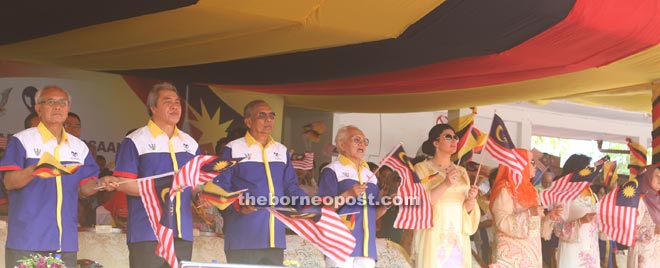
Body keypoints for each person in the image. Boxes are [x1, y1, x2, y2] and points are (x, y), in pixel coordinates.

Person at [0, 86, 115, 267]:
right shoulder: (22, 140)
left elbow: (84, 190)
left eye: (63, 103)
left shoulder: (79, 147)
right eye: (51, 102)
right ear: (38, 108)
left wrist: (101, 183)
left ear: (68, 108)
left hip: (64, 241)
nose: (58, 107)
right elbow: (9, 182)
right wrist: (35, 169)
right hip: (27, 238)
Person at [112, 82, 200, 267]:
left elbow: (194, 183)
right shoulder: (135, 140)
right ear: (153, 107)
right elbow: (123, 183)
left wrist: (200, 194)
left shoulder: (190, 143)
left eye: (178, 102)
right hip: (148, 232)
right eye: (168, 101)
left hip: (181, 233)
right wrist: (163, 186)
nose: (175, 106)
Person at [213, 100, 308, 265]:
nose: (268, 120)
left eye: (272, 115)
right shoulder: (233, 149)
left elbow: (291, 188)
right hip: (244, 238)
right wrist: (237, 205)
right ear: (248, 121)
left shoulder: (281, 150)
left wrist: (309, 207)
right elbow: (219, 188)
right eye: (262, 115)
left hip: (275, 238)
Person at [318, 125, 389, 268]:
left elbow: (371, 215)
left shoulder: (370, 176)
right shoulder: (332, 171)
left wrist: (386, 205)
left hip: (366, 247)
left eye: (364, 141)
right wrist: (347, 194)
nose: (362, 144)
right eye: (356, 140)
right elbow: (322, 210)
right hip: (340, 244)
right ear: (342, 144)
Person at [411, 124, 480, 268]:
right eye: (448, 137)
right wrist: (445, 184)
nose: (454, 140)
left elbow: (466, 209)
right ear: (436, 143)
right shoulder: (422, 168)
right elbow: (422, 202)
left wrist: (471, 200)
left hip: (458, 230)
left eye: (455, 137)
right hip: (435, 229)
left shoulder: (461, 171)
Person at [489, 148, 563, 267]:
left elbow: (536, 227)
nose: (536, 166)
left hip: (532, 253)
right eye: (532, 162)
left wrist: (550, 217)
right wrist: (528, 213)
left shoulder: (532, 190)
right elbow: (502, 222)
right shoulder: (505, 189)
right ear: (520, 164)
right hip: (511, 255)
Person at [552, 154, 600, 268]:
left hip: (591, 251)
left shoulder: (592, 194)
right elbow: (558, 229)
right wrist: (580, 221)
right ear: (576, 171)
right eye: (587, 169)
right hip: (572, 252)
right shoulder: (563, 195)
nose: (591, 172)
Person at [628, 164, 660, 268]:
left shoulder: (657, 200)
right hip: (642, 255)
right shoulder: (639, 200)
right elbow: (630, 229)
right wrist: (654, 230)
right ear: (647, 177)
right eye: (657, 176)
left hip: (656, 253)